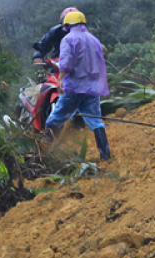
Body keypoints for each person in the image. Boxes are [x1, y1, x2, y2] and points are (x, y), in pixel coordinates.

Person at [44, 11, 111, 160]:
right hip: (92, 89)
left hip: (74, 87)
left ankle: (43, 152)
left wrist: (60, 79)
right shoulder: (94, 40)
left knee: (54, 119)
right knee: (95, 121)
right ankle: (105, 155)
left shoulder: (68, 39)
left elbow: (66, 62)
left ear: (68, 25)